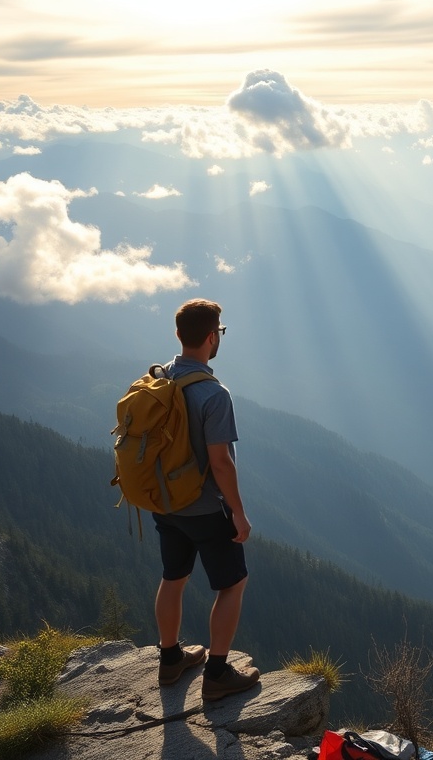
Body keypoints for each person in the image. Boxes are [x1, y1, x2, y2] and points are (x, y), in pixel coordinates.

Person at [153, 298, 259, 702]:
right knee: (233, 583)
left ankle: (170, 658)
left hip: (163, 503)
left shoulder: (159, 379)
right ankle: (216, 672)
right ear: (212, 337)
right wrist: (239, 513)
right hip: (202, 507)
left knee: (173, 577)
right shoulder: (214, 394)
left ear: (179, 335)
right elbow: (221, 462)